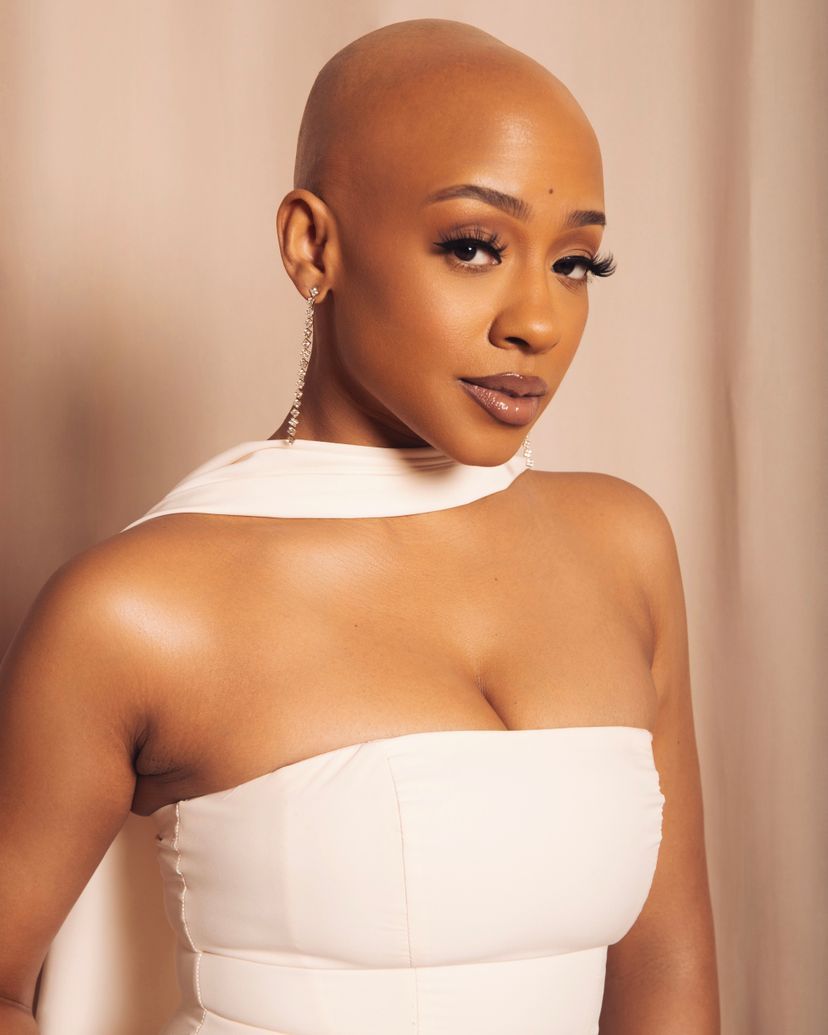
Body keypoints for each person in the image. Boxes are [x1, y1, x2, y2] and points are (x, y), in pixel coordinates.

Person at [0, 17, 720, 1035]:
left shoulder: (624, 547)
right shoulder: (135, 608)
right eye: (473, 246)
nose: (538, 321)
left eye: (575, 264)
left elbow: (669, 977)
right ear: (313, 245)